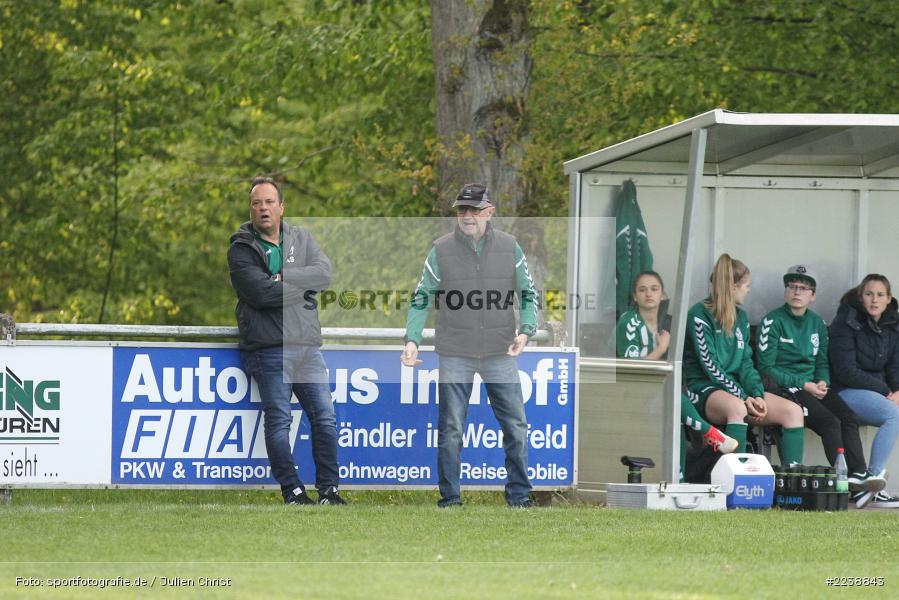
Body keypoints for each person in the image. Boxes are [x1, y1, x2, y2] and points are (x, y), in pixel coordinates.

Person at [401, 183, 538, 508]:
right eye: (462, 209)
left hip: (500, 350)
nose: (467, 215)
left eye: (474, 209)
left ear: (489, 212)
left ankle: (519, 497)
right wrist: (412, 340)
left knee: (516, 428)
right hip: (455, 352)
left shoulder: (511, 247)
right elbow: (421, 299)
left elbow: (528, 294)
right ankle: (450, 499)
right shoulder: (441, 249)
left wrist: (526, 331)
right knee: (450, 430)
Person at [228, 176, 344, 506]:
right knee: (280, 421)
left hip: (307, 346)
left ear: (281, 207)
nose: (262, 208)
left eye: (268, 202)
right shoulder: (241, 247)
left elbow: (324, 273)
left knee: (325, 419)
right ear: (250, 209)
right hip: (269, 348)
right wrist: (301, 288)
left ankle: (329, 490)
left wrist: (285, 278)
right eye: (256, 203)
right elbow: (261, 294)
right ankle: (292, 490)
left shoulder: (301, 237)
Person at [756, 265, 885, 495]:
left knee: (848, 417)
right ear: (786, 291)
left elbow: (822, 362)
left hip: (813, 386)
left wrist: (823, 381)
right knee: (829, 421)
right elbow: (766, 367)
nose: (797, 292)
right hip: (784, 387)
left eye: (803, 288)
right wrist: (804, 384)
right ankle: (842, 479)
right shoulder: (772, 321)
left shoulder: (816, 323)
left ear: (813, 296)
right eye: (792, 286)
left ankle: (859, 476)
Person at [615, 271, 738, 482]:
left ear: (663, 294)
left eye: (654, 289)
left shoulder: (671, 323)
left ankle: (678, 478)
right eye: (642, 290)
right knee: (672, 400)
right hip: (632, 391)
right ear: (634, 297)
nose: (648, 294)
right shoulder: (628, 321)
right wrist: (662, 348)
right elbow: (633, 367)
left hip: (665, 394)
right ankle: (709, 433)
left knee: (675, 409)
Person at [682, 254, 805, 466]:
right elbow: (711, 366)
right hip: (703, 389)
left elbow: (747, 363)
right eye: (746, 285)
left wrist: (756, 394)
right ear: (733, 287)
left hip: (738, 391)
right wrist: (743, 396)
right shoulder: (699, 314)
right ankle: (734, 479)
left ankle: (791, 483)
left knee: (793, 412)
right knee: (737, 408)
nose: (748, 290)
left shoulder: (741, 317)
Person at [829, 273, 899, 508]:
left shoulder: (892, 325)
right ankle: (874, 478)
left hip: (879, 392)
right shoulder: (845, 321)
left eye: (880, 295)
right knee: (893, 414)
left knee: (894, 411)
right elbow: (845, 370)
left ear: (889, 299)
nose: (874, 300)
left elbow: (895, 366)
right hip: (845, 391)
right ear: (861, 296)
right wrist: (885, 391)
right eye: (869, 294)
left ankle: (873, 485)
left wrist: (897, 390)